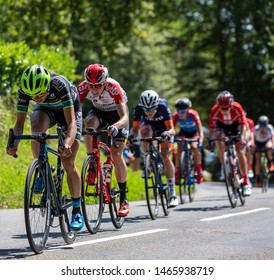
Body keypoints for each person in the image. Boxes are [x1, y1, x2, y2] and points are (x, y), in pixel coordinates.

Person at [6, 64, 84, 231]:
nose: (37, 98)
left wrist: (68, 143)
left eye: (40, 94)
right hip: (47, 110)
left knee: (68, 161)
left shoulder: (60, 85)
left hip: (68, 111)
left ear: (47, 85)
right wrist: (14, 143)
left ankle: (77, 210)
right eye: (33, 96)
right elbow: (19, 124)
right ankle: (42, 168)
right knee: (36, 125)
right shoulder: (26, 91)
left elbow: (71, 123)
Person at [77, 63, 130, 217]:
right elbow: (76, 112)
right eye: (90, 85)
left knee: (116, 154)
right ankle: (92, 161)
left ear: (105, 82)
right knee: (89, 123)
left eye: (98, 85)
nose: (93, 89)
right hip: (99, 111)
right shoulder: (82, 88)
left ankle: (124, 199)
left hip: (117, 115)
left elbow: (125, 117)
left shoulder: (113, 88)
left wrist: (116, 126)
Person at [131, 90, 178, 207]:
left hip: (164, 129)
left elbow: (172, 129)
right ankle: (147, 160)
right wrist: (130, 137)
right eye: (146, 109)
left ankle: (172, 193)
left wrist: (167, 133)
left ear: (156, 105)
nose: (149, 112)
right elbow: (135, 130)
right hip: (149, 126)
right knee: (144, 132)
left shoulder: (163, 106)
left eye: (152, 109)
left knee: (165, 156)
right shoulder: (138, 109)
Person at [209, 90, 252, 196]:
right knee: (219, 140)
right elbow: (212, 128)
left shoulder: (237, 107)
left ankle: (246, 183)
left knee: (240, 150)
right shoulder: (214, 109)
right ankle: (225, 166)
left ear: (231, 104)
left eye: (226, 108)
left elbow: (243, 126)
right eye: (221, 108)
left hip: (236, 126)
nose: (224, 110)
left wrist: (242, 138)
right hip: (222, 126)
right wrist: (211, 141)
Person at [172, 97, 204, 184]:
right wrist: (172, 138)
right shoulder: (175, 116)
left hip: (193, 133)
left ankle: (199, 171)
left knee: (194, 147)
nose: (180, 114)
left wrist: (200, 138)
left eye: (183, 111)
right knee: (179, 147)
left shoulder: (193, 114)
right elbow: (172, 129)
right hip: (183, 132)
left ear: (188, 110)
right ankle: (178, 172)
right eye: (179, 111)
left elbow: (200, 128)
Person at [253, 115, 274, 187]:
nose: (262, 128)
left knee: (269, 147)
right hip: (258, 142)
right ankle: (258, 178)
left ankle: (271, 162)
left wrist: (273, 145)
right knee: (258, 159)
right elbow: (253, 138)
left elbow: (273, 137)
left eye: (264, 126)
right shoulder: (256, 128)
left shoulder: (270, 127)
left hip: (267, 141)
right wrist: (252, 145)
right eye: (261, 126)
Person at [244, 112, 255, 178]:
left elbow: (251, 133)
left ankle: (249, 167)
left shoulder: (250, 122)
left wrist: (251, 142)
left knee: (250, 148)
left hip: (247, 139)